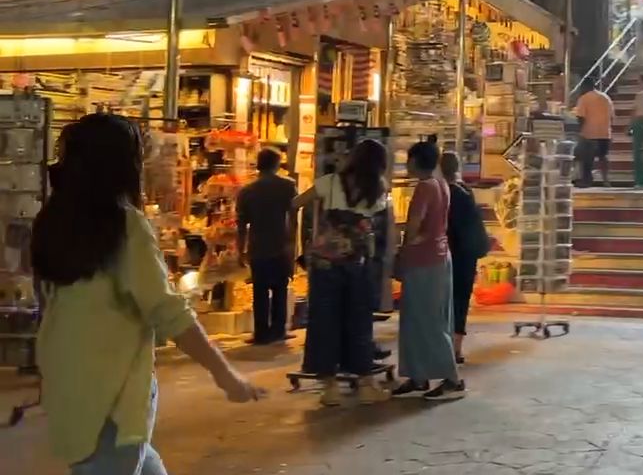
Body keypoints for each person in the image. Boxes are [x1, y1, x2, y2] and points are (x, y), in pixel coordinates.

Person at [33, 114, 262, 473]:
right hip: (110, 393)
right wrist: (225, 374)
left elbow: (48, 300)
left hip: (66, 380)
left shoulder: (52, 220)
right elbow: (168, 311)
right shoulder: (124, 225)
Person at [294, 138, 394, 406]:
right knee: (358, 323)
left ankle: (329, 389)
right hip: (357, 262)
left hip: (324, 262)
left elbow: (297, 203)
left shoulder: (330, 182)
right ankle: (364, 384)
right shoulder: (378, 189)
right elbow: (378, 219)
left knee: (324, 322)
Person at [393, 141, 466, 400]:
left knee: (428, 321)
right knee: (421, 319)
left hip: (424, 260)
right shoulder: (441, 184)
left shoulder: (425, 187)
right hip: (437, 257)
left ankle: (452, 379)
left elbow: (415, 225)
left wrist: (402, 246)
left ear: (414, 161)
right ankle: (418, 375)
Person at [236, 148, 298, 345]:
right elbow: (294, 219)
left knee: (260, 292)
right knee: (280, 289)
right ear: (277, 164)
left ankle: (261, 333)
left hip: (258, 247)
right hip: (281, 246)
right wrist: (293, 245)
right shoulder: (288, 186)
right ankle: (279, 330)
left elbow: (241, 224)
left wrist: (241, 250)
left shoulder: (247, 191)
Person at [441, 151, 488, 364]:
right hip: (467, 254)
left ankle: (446, 346)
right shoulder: (465, 192)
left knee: (447, 301)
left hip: (449, 253)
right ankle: (456, 348)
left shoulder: (443, 193)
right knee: (461, 301)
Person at [574, 75, 614, 187]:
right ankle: (606, 180)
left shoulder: (584, 98)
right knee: (603, 156)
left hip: (589, 133)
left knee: (586, 158)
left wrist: (579, 132)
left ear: (585, 86)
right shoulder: (606, 97)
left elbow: (581, 117)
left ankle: (586, 181)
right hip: (605, 132)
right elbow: (611, 116)